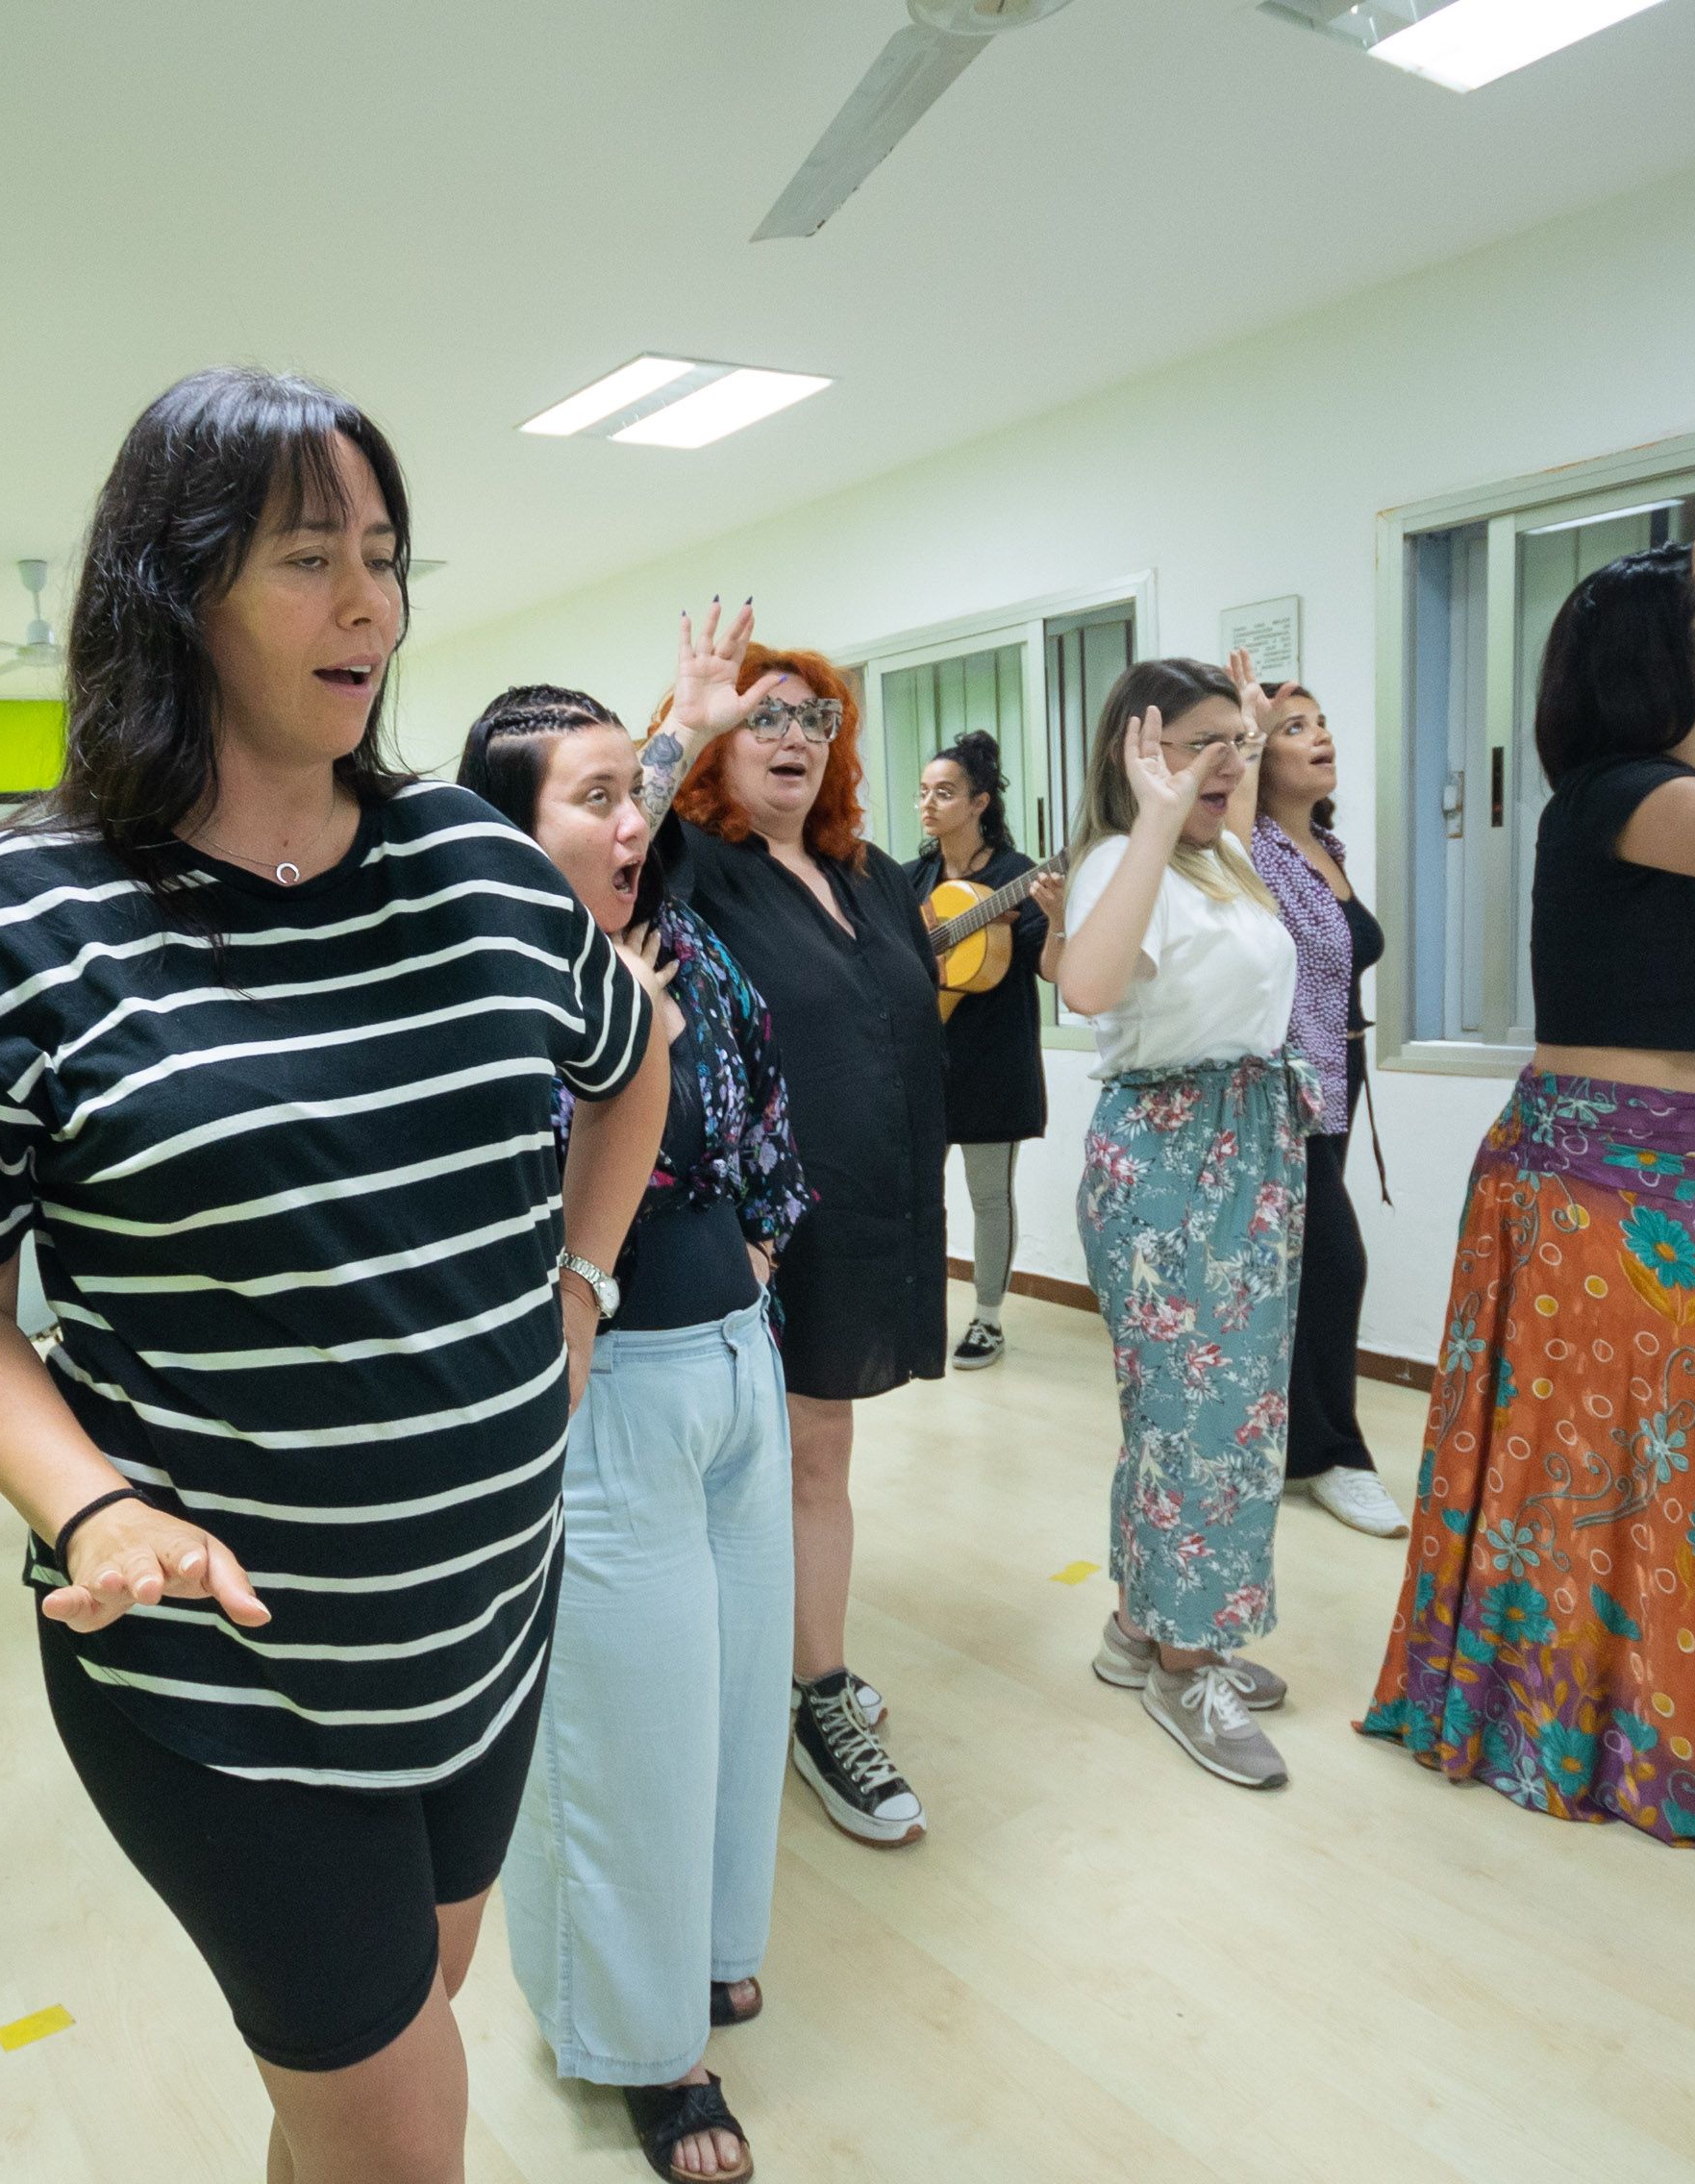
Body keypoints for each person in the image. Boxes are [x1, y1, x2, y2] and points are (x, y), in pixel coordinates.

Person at [0, 367, 666, 2184]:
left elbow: (637, 1063)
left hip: (480, 1626)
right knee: (401, 2123)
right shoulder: (28, 910)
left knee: (382, 2054)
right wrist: (89, 1506)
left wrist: (579, 1289)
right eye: (311, 558)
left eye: (385, 557)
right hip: (222, 1672)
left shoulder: (473, 860)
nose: (369, 604)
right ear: (176, 584)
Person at [1358, 514, 1695, 1897]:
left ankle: (1572, 1726)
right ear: (1658, 661)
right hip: (1586, 1185)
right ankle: (1688, 1759)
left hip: (1636, 1182)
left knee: (1603, 1476)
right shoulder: (1613, 796)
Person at [461, 687, 807, 2184]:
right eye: (595, 798)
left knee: (732, 1708)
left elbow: (768, 1115)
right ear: (505, 835)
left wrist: (757, 1276)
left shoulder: (680, 938)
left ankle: (712, 1953)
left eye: (638, 790)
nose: (634, 818)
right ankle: (644, 2048)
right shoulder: (489, 982)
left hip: (734, 1365)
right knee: (625, 1745)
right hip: (610, 1400)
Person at [634, 603, 943, 1849]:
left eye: (815, 718)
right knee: (799, 1459)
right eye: (764, 717)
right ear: (722, 744)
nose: (794, 736)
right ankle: (814, 1696)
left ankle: (790, 1661)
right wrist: (675, 723)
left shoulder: (866, 874)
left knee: (819, 1453)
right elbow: (602, 847)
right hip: (758, 1226)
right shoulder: (699, 869)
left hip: (877, 1211)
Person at [1041, 656, 1309, 1792]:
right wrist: (1153, 815)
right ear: (1136, 753)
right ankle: (1187, 1663)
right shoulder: (1126, 853)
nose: (1226, 766)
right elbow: (1087, 989)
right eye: (1195, 746)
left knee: (1192, 1411)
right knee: (1204, 1414)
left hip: (1244, 1139)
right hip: (1173, 1157)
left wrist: (1236, 741)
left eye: (1235, 745)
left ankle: (1140, 1627)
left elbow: (1233, 796)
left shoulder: (1223, 851)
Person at [1244, 684, 1408, 1540]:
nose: (1321, 737)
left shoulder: (1324, 845)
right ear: (1256, 756)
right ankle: (1336, 1457)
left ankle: (1291, 1450)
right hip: (1283, 1089)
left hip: (1336, 1078)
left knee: (1304, 1272)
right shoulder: (1253, 850)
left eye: (1322, 723)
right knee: (1334, 1265)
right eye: (1294, 728)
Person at [908, 730, 1064, 1370]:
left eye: (944, 793)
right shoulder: (909, 876)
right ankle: (917, 1309)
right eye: (923, 792)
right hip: (923, 1058)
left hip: (992, 1060)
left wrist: (1056, 919)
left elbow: (1050, 970)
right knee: (918, 1190)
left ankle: (989, 1319)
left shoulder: (1019, 876)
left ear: (978, 803)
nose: (928, 803)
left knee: (987, 1193)